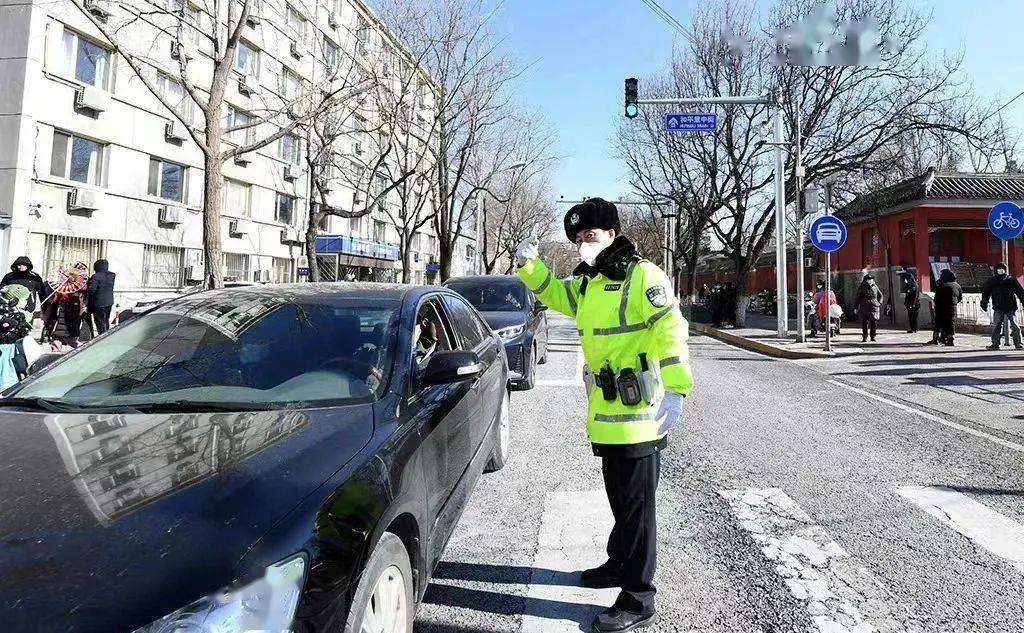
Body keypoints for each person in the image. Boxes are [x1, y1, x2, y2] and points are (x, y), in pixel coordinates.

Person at [515, 198, 694, 633]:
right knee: (620, 500)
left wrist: (677, 388)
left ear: (612, 233)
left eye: (590, 236)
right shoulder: (590, 282)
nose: (582, 245)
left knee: (638, 509)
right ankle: (618, 565)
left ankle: (638, 598)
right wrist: (530, 267)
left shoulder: (642, 275)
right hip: (607, 414)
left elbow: (670, 328)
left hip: (640, 413)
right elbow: (556, 295)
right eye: (577, 239)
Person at [980, 262, 1024, 350]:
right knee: (997, 326)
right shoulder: (992, 281)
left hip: (1010, 306)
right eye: (999, 268)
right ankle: (995, 344)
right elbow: (986, 293)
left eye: (1002, 268)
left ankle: (1018, 343)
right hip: (998, 306)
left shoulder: (1011, 280)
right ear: (996, 270)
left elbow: (1020, 292)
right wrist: (984, 303)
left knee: (1015, 325)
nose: (1001, 270)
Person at [929, 269, 962, 346]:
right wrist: (954, 303)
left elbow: (937, 297)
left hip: (941, 307)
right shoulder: (957, 285)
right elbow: (960, 297)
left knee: (938, 323)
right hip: (952, 307)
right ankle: (950, 339)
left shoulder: (943, 285)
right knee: (950, 323)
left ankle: (935, 338)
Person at [87, 259, 116, 335]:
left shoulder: (96, 276)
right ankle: (107, 335)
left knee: (100, 322)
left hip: (99, 303)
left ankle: (102, 338)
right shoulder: (112, 275)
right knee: (106, 320)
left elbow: (92, 290)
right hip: (109, 301)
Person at [854, 274, 883, 342]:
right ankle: (865, 336)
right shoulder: (862, 287)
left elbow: (880, 295)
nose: (870, 281)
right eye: (869, 279)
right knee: (865, 322)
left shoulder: (875, 286)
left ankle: (873, 336)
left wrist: (879, 303)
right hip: (865, 307)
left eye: (871, 279)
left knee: (873, 322)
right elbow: (857, 298)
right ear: (866, 280)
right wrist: (856, 307)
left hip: (874, 306)